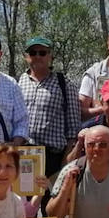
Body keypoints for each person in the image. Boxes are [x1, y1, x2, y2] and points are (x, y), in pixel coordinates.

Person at [18, 36, 80, 174]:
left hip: (52, 157)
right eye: (33, 53)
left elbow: (73, 129)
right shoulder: (17, 83)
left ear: (50, 56)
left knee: (49, 196)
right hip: (23, 154)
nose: (37, 56)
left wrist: (66, 162)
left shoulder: (65, 84)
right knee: (23, 196)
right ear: (26, 57)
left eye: (42, 52)